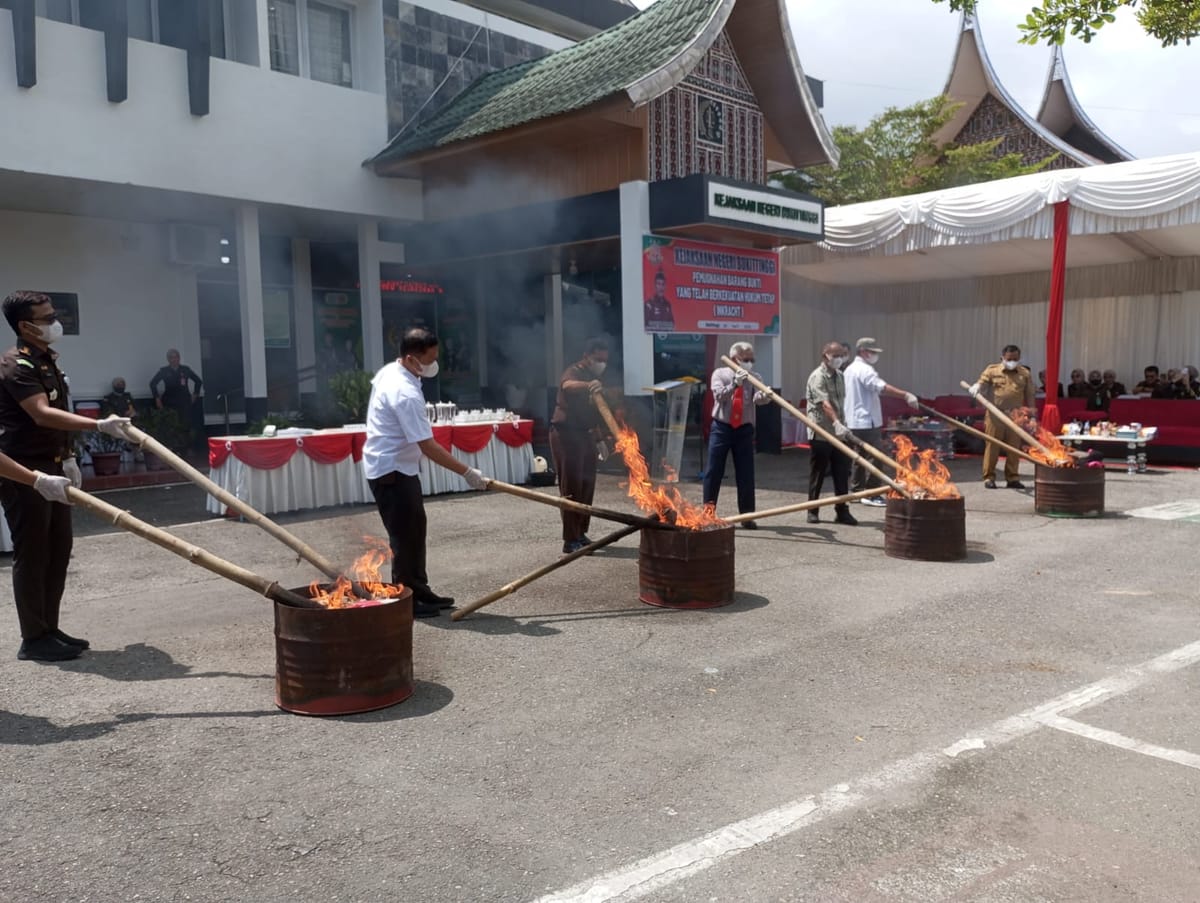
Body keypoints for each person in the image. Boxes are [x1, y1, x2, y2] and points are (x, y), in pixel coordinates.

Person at [0, 291, 130, 661]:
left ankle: (49, 628)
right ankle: (33, 637)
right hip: (24, 472)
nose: (54, 322)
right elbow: (41, 414)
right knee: (33, 551)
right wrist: (100, 424)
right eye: (47, 317)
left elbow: (56, 417)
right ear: (25, 326)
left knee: (59, 550)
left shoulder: (47, 361)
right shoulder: (16, 365)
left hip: (54, 465)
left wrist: (69, 456)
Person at [362, 326, 489, 619]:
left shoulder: (394, 372)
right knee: (405, 536)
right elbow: (428, 446)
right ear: (410, 358)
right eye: (429, 359)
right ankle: (407, 597)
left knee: (415, 530)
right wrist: (467, 472)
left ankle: (420, 589)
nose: (433, 365)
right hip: (390, 470)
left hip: (399, 467)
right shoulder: (403, 391)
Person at [550, 338, 611, 553]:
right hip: (566, 435)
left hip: (585, 435)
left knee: (587, 485)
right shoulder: (575, 371)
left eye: (605, 360)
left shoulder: (594, 377)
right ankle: (570, 539)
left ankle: (581, 533)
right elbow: (566, 385)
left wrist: (600, 439)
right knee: (572, 486)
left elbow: (593, 414)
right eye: (598, 359)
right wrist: (587, 386)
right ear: (587, 357)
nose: (602, 364)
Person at [843, 337, 919, 507]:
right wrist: (905, 395)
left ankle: (857, 491)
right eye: (873, 352)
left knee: (859, 458)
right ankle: (872, 492)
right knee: (876, 457)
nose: (875, 356)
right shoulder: (864, 369)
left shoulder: (850, 369)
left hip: (854, 421)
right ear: (864, 351)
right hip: (866, 421)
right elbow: (881, 387)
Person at [703, 342, 769, 528]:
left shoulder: (755, 377)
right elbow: (719, 396)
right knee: (713, 471)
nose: (750, 363)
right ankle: (708, 514)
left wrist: (766, 396)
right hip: (722, 427)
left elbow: (757, 399)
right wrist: (734, 384)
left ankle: (746, 516)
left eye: (752, 359)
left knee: (746, 473)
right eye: (746, 359)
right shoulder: (720, 374)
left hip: (744, 429)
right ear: (734, 359)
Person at [805, 341, 858, 526]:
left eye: (841, 355)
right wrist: (835, 422)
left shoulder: (840, 376)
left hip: (840, 432)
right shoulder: (817, 376)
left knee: (842, 472)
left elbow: (843, 403)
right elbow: (824, 403)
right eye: (835, 355)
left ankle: (842, 511)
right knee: (818, 472)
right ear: (825, 355)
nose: (839, 359)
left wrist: (844, 424)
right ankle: (813, 511)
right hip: (822, 431)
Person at [969, 344, 1036, 489]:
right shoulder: (992, 370)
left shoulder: (1024, 373)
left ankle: (1012, 478)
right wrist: (977, 386)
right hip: (995, 414)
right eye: (1009, 359)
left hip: (1016, 415)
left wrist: (1032, 416)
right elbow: (982, 382)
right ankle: (989, 477)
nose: (1012, 361)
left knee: (1014, 447)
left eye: (1015, 359)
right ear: (1002, 358)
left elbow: (1030, 395)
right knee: (992, 445)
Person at [150, 348, 202, 438]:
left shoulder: (185, 370)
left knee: (185, 425)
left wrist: (195, 394)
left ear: (179, 358)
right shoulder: (164, 371)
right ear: (168, 359)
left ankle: (186, 448)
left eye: (175, 357)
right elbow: (152, 383)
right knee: (171, 425)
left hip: (184, 401)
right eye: (171, 357)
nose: (173, 359)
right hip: (169, 401)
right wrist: (157, 398)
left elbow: (198, 381)